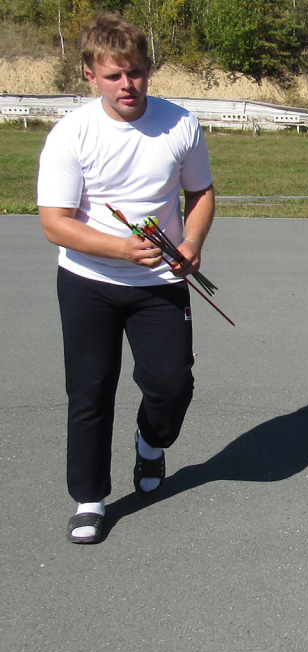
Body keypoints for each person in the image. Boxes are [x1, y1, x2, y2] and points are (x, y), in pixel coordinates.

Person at [37, 13, 216, 545]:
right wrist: (119, 247)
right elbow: (55, 223)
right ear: (90, 75)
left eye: (136, 72)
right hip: (88, 281)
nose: (127, 85)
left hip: (160, 281)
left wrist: (191, 245)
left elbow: (200, 194)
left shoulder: (180, 124)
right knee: (89, 392)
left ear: (149, 70)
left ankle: (150, 442)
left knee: (171, 384)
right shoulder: (71, 135)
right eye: (114, 75)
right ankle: (89, 498)